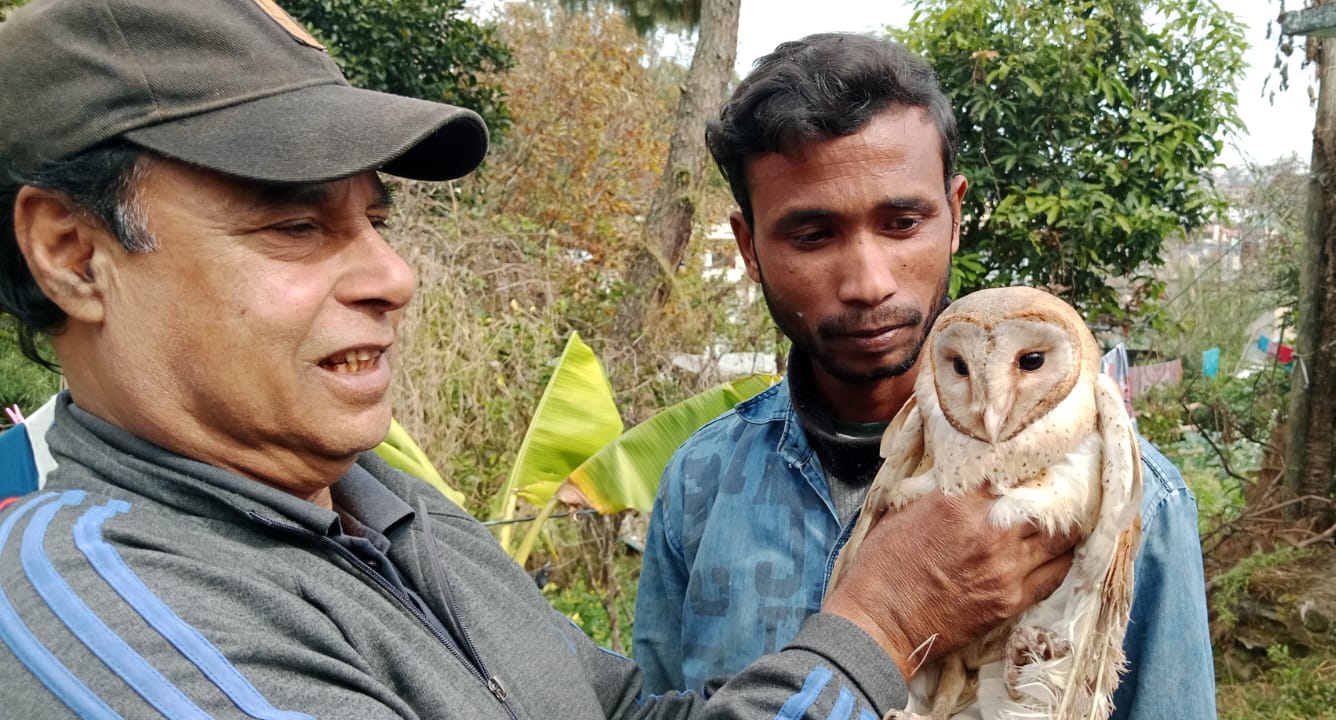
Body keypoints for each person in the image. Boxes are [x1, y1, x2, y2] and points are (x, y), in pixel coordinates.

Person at [0, 1, 1078, 717]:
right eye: (294, 228)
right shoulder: (102, 608)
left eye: (376, 218)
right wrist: (879, 622)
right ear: (73, 254)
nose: (392, 276)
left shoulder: (390, 516)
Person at [633, 33, 1218, 720]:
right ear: (748, 247)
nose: (868, 282)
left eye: (902, 222)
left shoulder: (1131, 498)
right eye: (812, 235)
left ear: (955, 215)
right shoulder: (701, 485)